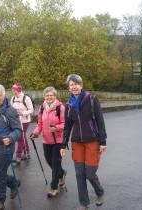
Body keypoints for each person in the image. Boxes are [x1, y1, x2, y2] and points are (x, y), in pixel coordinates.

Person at [60, 74, 107, 210]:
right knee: (80, 174)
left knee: (90, 173)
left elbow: (100, 120)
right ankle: (83, 203)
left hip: (92, 140)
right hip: (77, 142)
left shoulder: (91, 99)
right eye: (71, 85)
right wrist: (63, 144)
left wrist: (102, 141)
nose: (74, 87)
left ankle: (100, 192)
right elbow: (67, 126)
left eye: (76, 84)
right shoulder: (68, 105)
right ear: (69, 88)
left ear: (81, 85)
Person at [30, 87, 67, 197]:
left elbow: (65, 124)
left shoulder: (61, 108)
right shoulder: (42, 108)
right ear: (44, 97)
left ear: (55, 96)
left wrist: (56, 128)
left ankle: (53, 187)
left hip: (58, 140)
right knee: (49, 161)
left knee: (55, 164)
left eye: (51, 95)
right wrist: (35, 133)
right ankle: (61, 173)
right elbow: (40, 124)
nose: (49, 97)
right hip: (46, 140)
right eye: (47, 95)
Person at [10, 83, 34, 164]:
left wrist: (22, 113)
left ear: (19, 90)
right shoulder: (13, 98)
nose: (13, 91)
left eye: (15, 89)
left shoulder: (26, 98)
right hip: (16, 121)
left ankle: (18, 156)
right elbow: (11, 108)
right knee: (22, 137)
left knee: (20, 137)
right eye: (12, 89)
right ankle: (27, 153)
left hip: (24, 121)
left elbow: (31, 110)